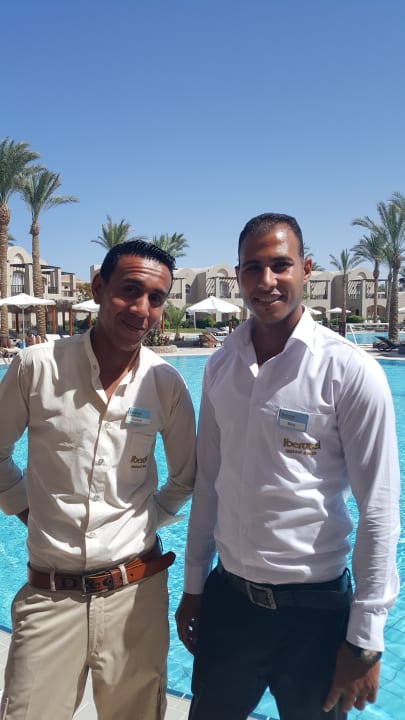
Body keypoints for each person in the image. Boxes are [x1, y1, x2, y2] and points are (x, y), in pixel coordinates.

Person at [176, 213, 400, 720]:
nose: (267, 280)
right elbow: (209, 484)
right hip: (230, 603)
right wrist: (194, 586)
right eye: (253, 267)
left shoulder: (349, 371)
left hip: (316, 614)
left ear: (306, 269)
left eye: (280, 265)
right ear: (238, 275)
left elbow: (379, 508)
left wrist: (365, 638)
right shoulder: (220, 366)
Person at [0, 239, 196, 720]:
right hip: (50, 595)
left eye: (156, 298)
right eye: (130, 290)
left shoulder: (165, 383)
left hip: (136, 597)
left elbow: (186, 477)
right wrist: (28, 511)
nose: (142, 309)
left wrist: (145, 520)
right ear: (99, 289)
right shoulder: (36, 367)